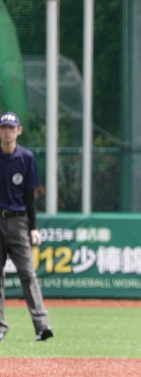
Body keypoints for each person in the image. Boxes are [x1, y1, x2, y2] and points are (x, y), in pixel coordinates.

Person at [0, 112, 53, 342]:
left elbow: (30, 196)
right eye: (4, 127)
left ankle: (42, 325)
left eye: (11, 128)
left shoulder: (26, 157)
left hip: (19, 220)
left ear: (19, 131)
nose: (7, 131)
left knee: (28, 274)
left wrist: (33, 227)